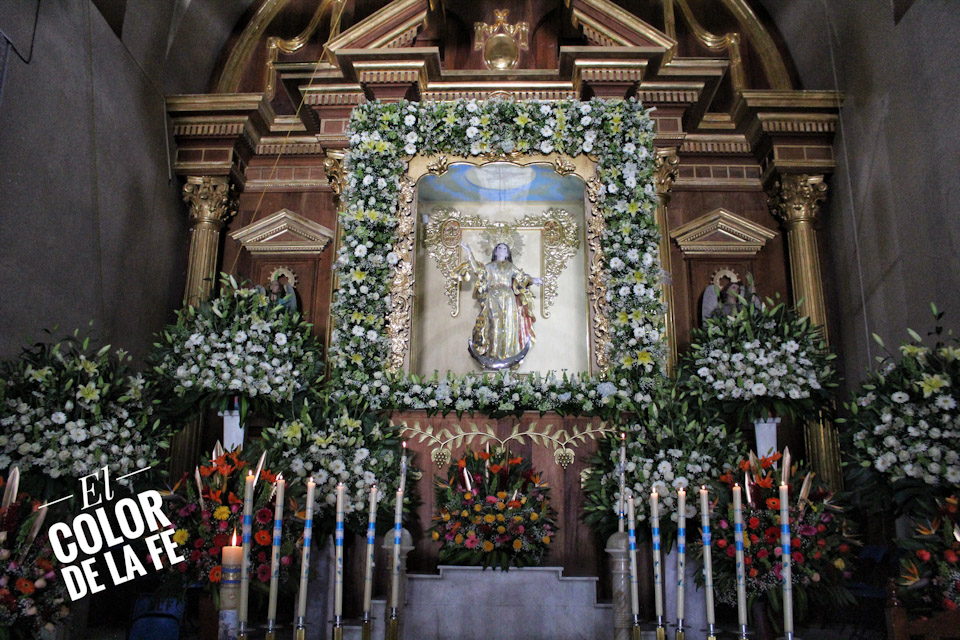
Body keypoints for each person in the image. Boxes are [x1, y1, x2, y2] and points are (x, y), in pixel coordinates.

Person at [458, 242, 542, 369]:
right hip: (493, 296)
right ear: (495, 252)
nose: (502, 250)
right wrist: (470, 252)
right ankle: (493, 354)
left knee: (509, 324)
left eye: (504, 248)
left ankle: (508, 354)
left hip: (508, 298)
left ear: (507, 253)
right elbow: (478, 270)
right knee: (494, 324)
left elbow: (522, 277)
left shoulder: (510, 267)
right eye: (499, 248)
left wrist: (534, 280)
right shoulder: (489, 266)